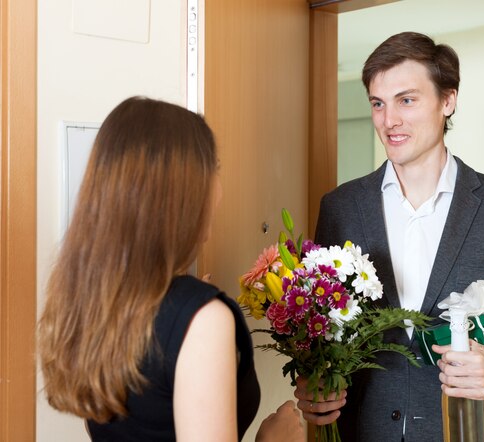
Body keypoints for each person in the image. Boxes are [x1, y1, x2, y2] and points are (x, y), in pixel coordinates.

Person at [294, 32, 484, 441]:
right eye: (378, 103)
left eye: (406, 100)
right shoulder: (340, 207)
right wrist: (313, 382)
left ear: (448, 101)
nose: (389, 120)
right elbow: (319, 333)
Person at [38, 97, 304, 442]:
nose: (219, 191)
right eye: (214, 171)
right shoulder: (201, 318)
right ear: (182, 193)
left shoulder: (94, 301)